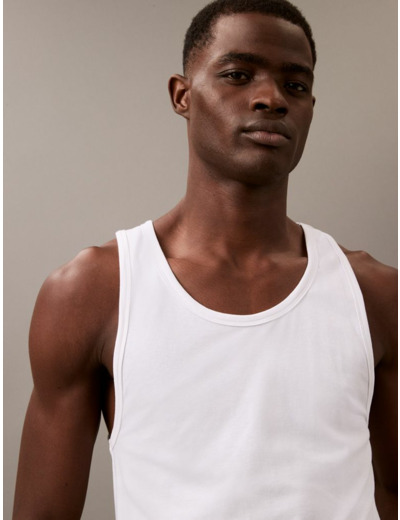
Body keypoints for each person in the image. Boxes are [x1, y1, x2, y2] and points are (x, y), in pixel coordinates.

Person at [13, 0, 397, 518]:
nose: (271, 98)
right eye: (238, 75)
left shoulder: (375, 295)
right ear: (183, 95)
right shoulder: (95, 293)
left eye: (295, 85)